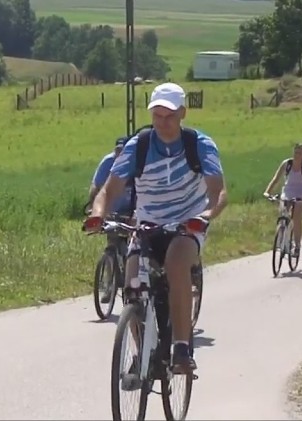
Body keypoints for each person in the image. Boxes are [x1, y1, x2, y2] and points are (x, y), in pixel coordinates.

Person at [84, 82, 227, 374]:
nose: (163, 122)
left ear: (182, 113)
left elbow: (219, 191)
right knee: (132, 282)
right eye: (157, 115)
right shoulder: (140, 145)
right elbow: (109, 190)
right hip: (147, 223)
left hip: (189, 221)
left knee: (176, 264)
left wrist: (208, 213)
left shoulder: (198, 144)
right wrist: (98, 214)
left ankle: (181, 348)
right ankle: (142, 353)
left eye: (170, 116)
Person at [87, 137, 134, 304]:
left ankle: (132, 285)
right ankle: (109, 285)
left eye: (123, 151)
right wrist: (93, 209)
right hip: (112, 209)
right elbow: (96, 186)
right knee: (111, 244)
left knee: (133, 248)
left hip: (131, 209)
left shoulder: (136, 161)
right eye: (117, 151)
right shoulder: (108, 162)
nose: (119, 154)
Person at [263, 143, 302, 257]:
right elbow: (276, 178)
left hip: (301, 193)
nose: (297, 155)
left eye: (300, 153)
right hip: (288, 191)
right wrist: (267, 191)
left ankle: (297, 245)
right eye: (295, 152)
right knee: (283, 212)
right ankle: (281, 235)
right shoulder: (287, 164)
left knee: (296, 217)